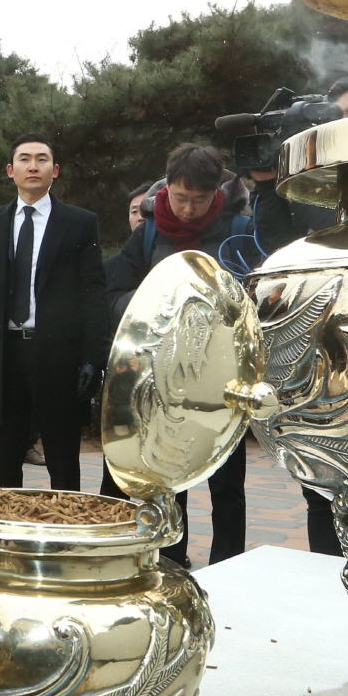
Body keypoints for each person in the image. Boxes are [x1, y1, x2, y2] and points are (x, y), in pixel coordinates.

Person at [105, 142, 250, 567]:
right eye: (180, 198)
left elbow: (257, 298)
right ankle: (171, 558)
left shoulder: (240, 228)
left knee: (227, 481)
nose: (187, 210)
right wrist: (158, 308)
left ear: (215, 193)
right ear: (167, 187)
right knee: (168, 473)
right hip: (166, 377)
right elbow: (114, 296)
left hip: (224, 377)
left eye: (199, 200)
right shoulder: (147, 232)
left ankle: (230, 563)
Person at [0, 133, 106, 492]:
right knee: (6, 461)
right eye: (25, 159)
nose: (33, 166)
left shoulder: (79, 222)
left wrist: (93, 357)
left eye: (42, 159)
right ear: (10, 170)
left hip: (59, 356)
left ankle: (63, 538)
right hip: (6, 354)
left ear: (54, 170)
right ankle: (8, 537)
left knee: (62, 460)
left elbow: (92, 292)